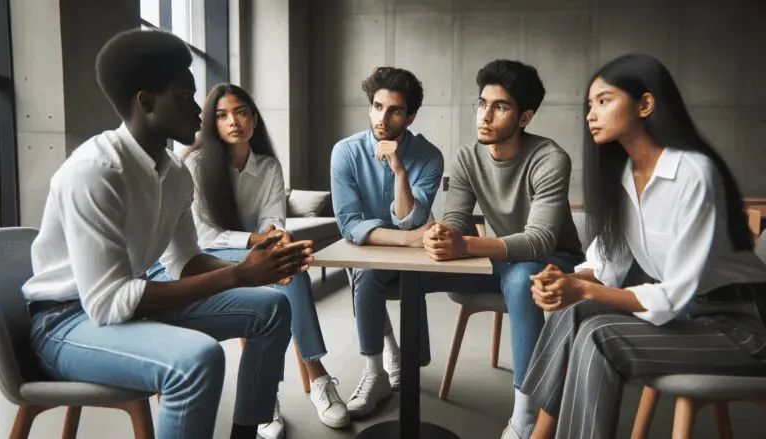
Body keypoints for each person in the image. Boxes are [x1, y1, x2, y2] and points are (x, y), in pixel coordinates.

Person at [21, 29, 314, 439]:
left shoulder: (176, 174)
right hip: (65, 323)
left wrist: (257, 266)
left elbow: (184, 263)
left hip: (129, 304)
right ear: (146, 102)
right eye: (185, 96)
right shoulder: (94, 172)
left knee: (272, 308)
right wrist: (236, 275)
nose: (199, 110)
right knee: (198, 359)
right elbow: (108, 304)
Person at [518, 54, 766, 439]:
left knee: (599, 335)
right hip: (691, 318)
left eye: (604, 101)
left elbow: (674, 295)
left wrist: (584, 289)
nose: (590, 114)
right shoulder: (624, 176)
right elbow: (606, 263)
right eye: (589, 105)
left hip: (744, 327)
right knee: (575, 312)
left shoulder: (693, 173)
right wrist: (563, 280)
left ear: (645, 105)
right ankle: (534, 434)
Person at [420, 59, 584, 439]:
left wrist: (465, 244)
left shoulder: (550, 158)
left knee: (524, 275)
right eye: (482, 103)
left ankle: (525, 415)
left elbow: (540, 240)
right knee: (396, 272)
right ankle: (390, 368)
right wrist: (441, 234)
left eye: (501, 107)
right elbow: (457, 221)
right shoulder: (466, 158)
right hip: (496, 260)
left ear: (525, 117)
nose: (485, 116)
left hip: (553, 262)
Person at [177, 83, 348, 437]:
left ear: (254, 119)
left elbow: (273, 218)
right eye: (222, 115)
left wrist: (276, 237)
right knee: (281, 262)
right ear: (211, 123)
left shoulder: (268, 165)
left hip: (253, 250)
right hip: (208, 258)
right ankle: (268, 395)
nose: (233, 122)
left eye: (240, 112)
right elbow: (205, 236)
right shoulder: (195, 164)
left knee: (291, 265)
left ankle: (316, 379)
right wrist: (261, 240)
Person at [329, 66, 444, 417]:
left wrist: (399, 171)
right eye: (378, 106)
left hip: (419, 265)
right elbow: (351, 225)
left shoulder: (429, 156)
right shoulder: (345, 153)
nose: (383, 117)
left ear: (410, 116)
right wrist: (409, 240)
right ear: (369, 107)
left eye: (395, 110)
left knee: (368, 265)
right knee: (364, 269)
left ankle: (395, 350)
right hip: (374, 263)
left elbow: (411, 217)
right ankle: (374, 371)